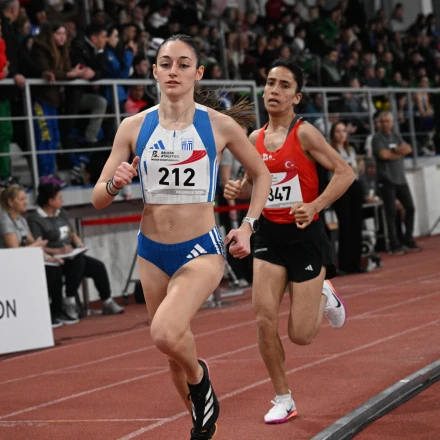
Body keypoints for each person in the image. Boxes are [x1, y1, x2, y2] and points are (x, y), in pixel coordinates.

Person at [91, 34, 271, 440]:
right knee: (171, 353)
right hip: (151, 251)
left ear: (198, 73)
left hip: (200, 249)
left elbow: (261, 174)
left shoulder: (219, 125)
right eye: (166, 63)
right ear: (155, 71)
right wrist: (115, 183)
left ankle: (200, 376)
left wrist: (248, 225)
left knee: (165, 333)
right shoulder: (133, 127)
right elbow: (98, 197)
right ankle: (201, 423)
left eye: (183, 64)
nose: (174, 71)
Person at [224, 58, 354, 425]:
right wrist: (240, 188)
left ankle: (325, 292)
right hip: (269, 236)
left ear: (296, 96)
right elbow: (257, 182)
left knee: (301, 335)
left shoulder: (305, 134)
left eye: (284, 85)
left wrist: (314, 205)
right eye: (270, 83)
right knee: (264, 319)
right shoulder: (254, 138)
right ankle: (284, 398)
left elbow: (345, 173)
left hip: (305, 237)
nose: (274, 90)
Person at [27, 183, 124, 319]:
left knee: (97, 266)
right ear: (50, 201)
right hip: (54, 259)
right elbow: (37, 245)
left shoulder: (61, 213)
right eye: (59, 198)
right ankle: (69, 300)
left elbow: (71, 233)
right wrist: (58, 251)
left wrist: (78, 243)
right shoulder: (35, 220)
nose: (62, 201)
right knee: (78, 262)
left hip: (71, 255)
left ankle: (107, 301)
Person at [0, 184, 78, 327]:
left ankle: (55, 311)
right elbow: (15, 251)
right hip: (9, 265)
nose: (25, 202)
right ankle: (43, 312)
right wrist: (36, 245)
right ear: (10, 202)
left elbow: (33, 243)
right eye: (21, 199)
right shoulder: (5, 221)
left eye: (25, 199)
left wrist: (49, 258)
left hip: (24, 261)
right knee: (49, 272)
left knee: (55, 267)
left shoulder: (21, 220)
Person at [371, 112, 421, 254]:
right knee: (391, 212)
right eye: (382, 121)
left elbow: (408, 149)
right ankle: (394, 243)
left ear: (392, 122)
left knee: (410, 208)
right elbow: (383, 155)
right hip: (386, 180)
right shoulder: (377, 138)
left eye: (387, 121)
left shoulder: (396, 136)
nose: (385, 124)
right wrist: (398, 152)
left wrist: (392, 151)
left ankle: (408, 238)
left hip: (400, 179)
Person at [329, 121, 364, 274]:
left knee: (357, 225)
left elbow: (355, 170)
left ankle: (356, 263)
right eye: (338, 131)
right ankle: (344, 264)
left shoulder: (351, 150)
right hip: (340, 189)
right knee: (345, 226)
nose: (341, 134)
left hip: (354, 186)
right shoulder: (330, 151)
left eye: (344, 131)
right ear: (333, 134)